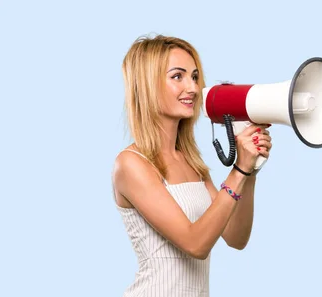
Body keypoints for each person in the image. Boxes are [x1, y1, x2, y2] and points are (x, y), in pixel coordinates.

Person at [111, 34, 272, 297]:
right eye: (178, 76)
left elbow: (236, 237)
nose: (194, 88)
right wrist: (238, 170)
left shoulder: (191, 162)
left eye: (195, 77)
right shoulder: (131, 164)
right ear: (148, 85)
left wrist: (250, 170)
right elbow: (196, 243)